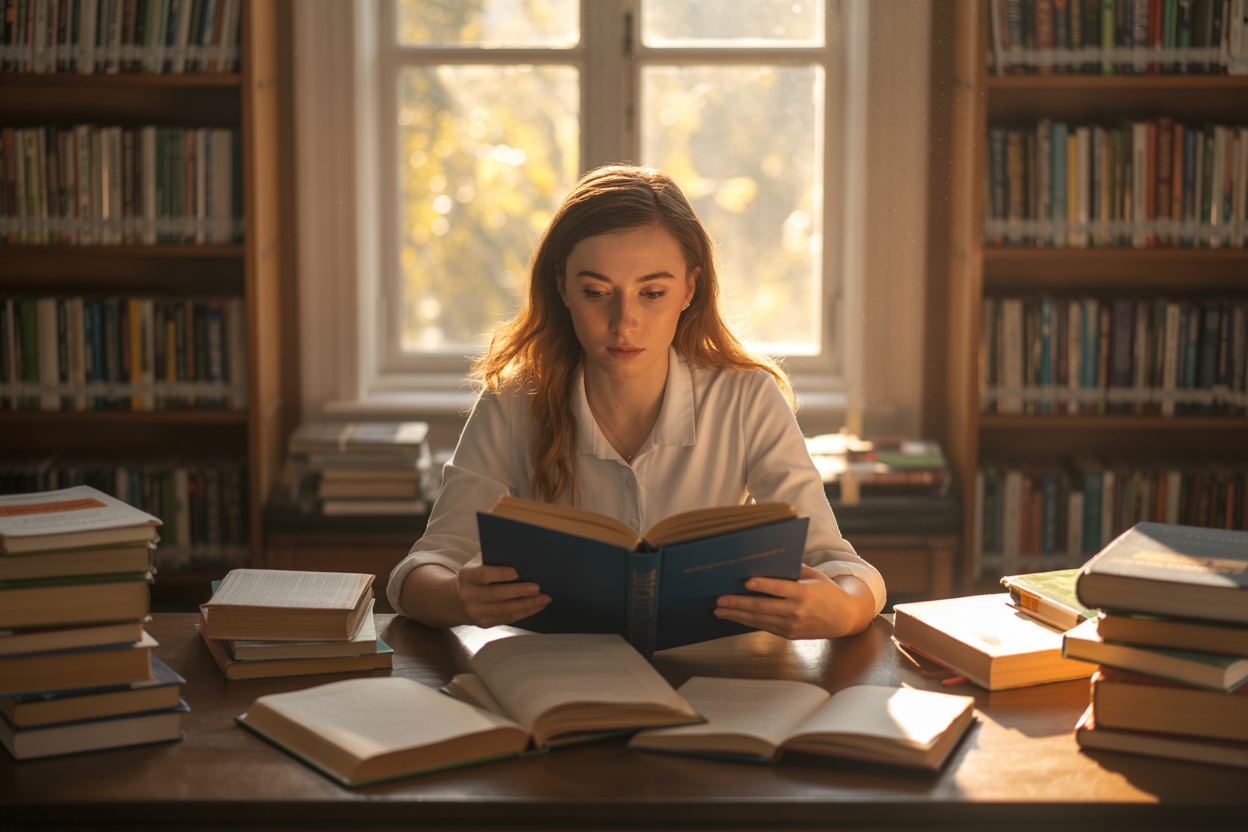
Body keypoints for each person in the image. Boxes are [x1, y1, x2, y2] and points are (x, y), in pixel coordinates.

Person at [387, 165, 885, 640]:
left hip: (720, 682)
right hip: (555, 683)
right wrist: (457, 596)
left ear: (690, 288)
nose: (623, 322)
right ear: (562, 285)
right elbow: (419, 571)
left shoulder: (747, 398)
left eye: (652, 293)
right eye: (596, 291)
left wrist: (845, 610)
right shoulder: (514, 403)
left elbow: (836, 561)